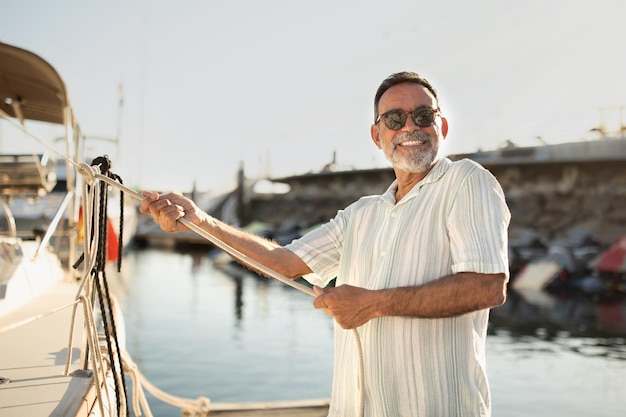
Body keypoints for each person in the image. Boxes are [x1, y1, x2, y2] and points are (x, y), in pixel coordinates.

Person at [140, 71, 510, 417]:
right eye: (395, 119)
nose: (410, 126)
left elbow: (486, 286)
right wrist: (201, 221)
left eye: (423, 114)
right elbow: (283, 262)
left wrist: (374, 304)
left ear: (441, 125)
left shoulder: (466, 181)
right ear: (377, 135)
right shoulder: (360, 214)